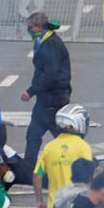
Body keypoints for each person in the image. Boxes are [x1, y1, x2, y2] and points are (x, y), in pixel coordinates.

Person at [22, 11, 72, 163]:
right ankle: (28, 168)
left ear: (39, 26)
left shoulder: (51, 44)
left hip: (55, 98)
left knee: (62, 137)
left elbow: (49, 74)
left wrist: (31, 91)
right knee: (34, 134)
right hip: (46, 98)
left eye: (30, 27)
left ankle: (80, 165)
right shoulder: (44, 40)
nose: (29, 30)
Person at [33, 103, 93, 208]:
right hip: (76, 206)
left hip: (54, 207)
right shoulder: (83, 147)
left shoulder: (49, 147)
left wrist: (39, 200)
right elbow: (90, 174)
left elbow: (37, 175)